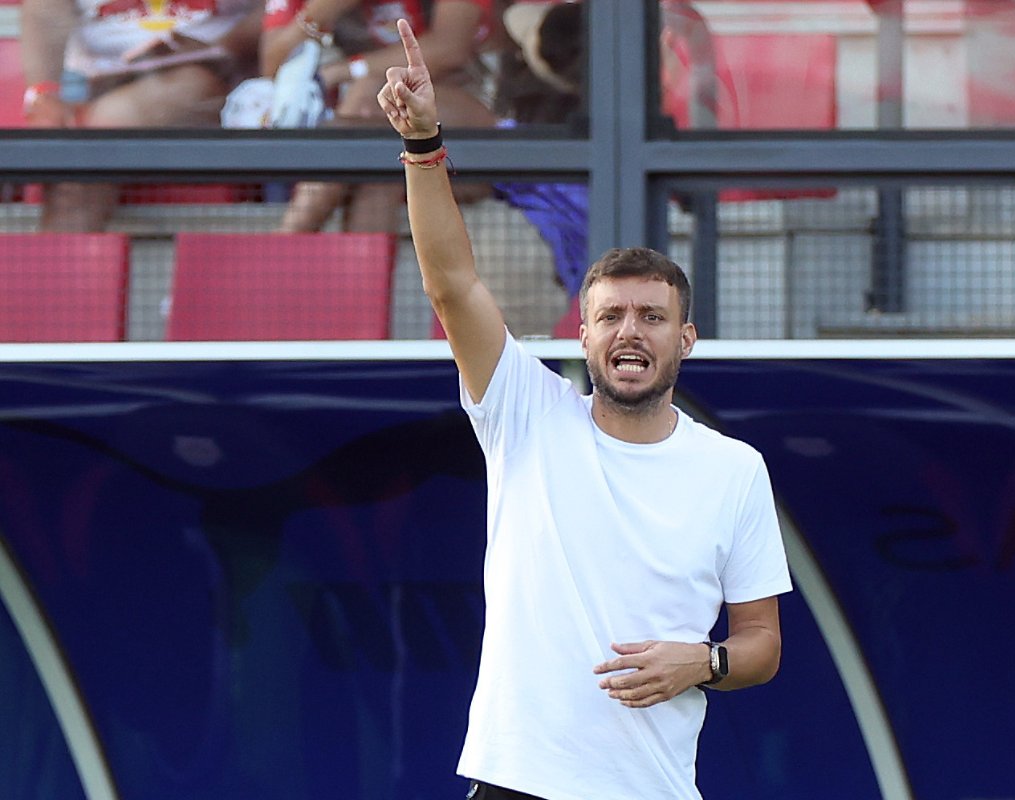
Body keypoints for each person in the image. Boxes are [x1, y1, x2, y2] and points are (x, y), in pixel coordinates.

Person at [378, 18, 792, 800]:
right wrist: (425, 147)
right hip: (513, 783)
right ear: (585, 332)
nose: (630, 331)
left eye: (651, 316)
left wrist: (701, 662)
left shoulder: (734, 470)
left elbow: (762, 644)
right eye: (611, 316)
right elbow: (452, 285)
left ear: (687, 339)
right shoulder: (526, 413)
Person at [20, 0, 262, 231]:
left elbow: (279, 11)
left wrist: (222, 48)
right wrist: (44, 92)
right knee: (74, 151)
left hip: (208, 77)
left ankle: (56, 268)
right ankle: (56, 268)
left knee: (82, 158)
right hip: (94, 81)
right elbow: (44, 7)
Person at [261, 0, 499, 232]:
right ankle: (308, 253)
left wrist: (347, 71)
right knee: (381, 168)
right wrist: (321, 11)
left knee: (368, 98)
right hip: (386, 145)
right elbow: (271, 68)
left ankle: (287, 239)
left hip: (468, 123)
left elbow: (450, 49)